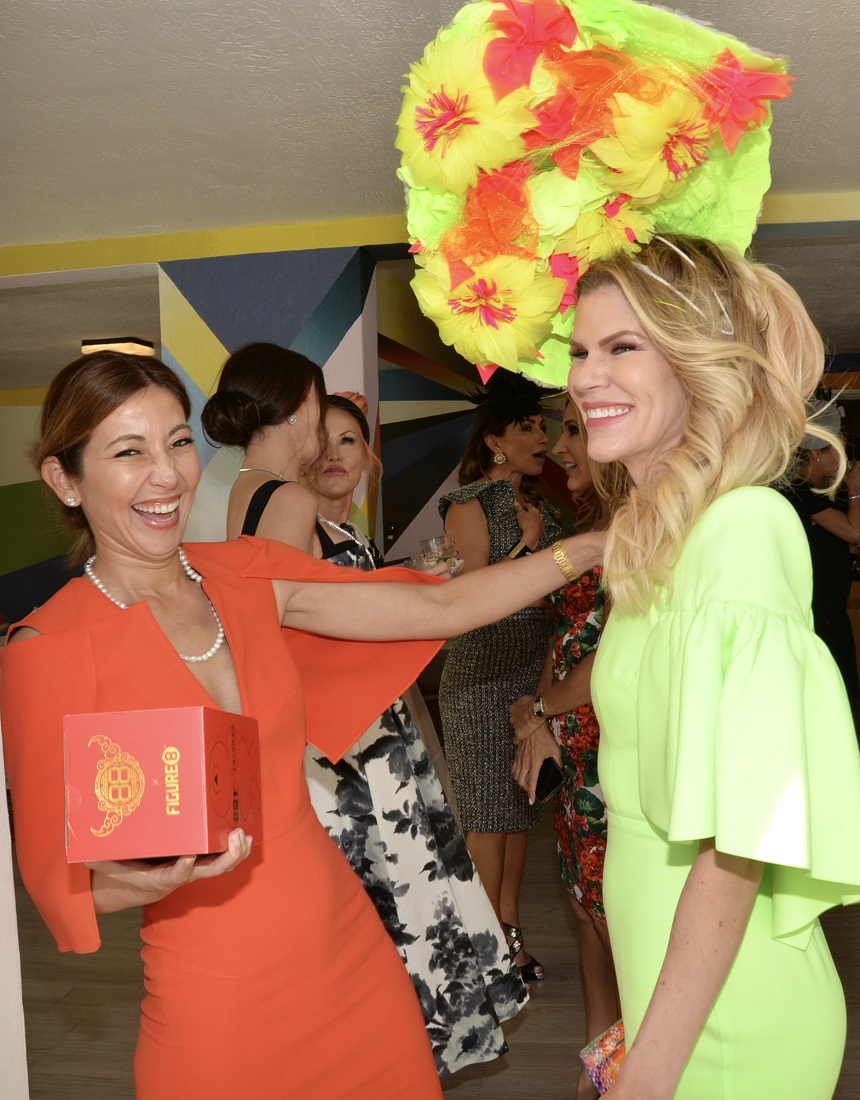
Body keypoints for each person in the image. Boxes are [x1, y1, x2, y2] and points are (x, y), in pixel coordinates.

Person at [0, 350, 603, 1098]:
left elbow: (441, 606)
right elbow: (58, 888)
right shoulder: (48, 648)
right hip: (215, 997)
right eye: (129, 452)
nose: (166, 474)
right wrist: (148, 883)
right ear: (64, 478)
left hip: (347, 951)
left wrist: (596, 547)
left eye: (177, 442)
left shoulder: (246, 572)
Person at [566, 233, 860, 1098]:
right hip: (679, 1001)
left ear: (698, 363)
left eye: (624, 347)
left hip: (727, 1025)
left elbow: (741, 841)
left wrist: (650, 1073)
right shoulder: (666, 538)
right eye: (581, 350)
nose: (586, 376)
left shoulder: (741, 531)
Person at [204, 359, 527, 1076]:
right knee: (394, 916)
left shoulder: (243, 496)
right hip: (350, 754)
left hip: (334, 744)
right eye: (319, 410)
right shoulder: (285, 499)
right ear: (297, 411)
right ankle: (387, 1063)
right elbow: (293, 637)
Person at [510, 401, 620, 1100]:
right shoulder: (589, 530)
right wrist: (536, 717)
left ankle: (648, 1069)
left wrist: (543, 709)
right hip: (574, 750)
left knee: (620, 923)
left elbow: (611, 658)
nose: (559, 447)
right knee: (584, 910)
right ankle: (598, 1071)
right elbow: (567, 637)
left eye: (576, 432)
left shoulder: (644, 538)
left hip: (617, 753)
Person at [438, 371, 561, 983]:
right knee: (488, 816)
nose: (542, 436)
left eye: (543, 425)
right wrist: (530, 553)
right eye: (527, 427)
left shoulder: (546, 506)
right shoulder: (466, 503)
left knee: (519, 812)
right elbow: (476, 593)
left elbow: (562, 595)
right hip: (480, 675)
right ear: (493, 441)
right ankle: (487, 954)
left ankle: (509, 937)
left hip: (532, 678)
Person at [782, 398, 860, 711]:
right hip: (817, 619)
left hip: (829, 614)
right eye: (835, 452)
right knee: (835, 701)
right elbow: (854, 531)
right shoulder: (798, 490)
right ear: (815, 452)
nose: (840, 461)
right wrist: (855, 488)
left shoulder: (814, 493)